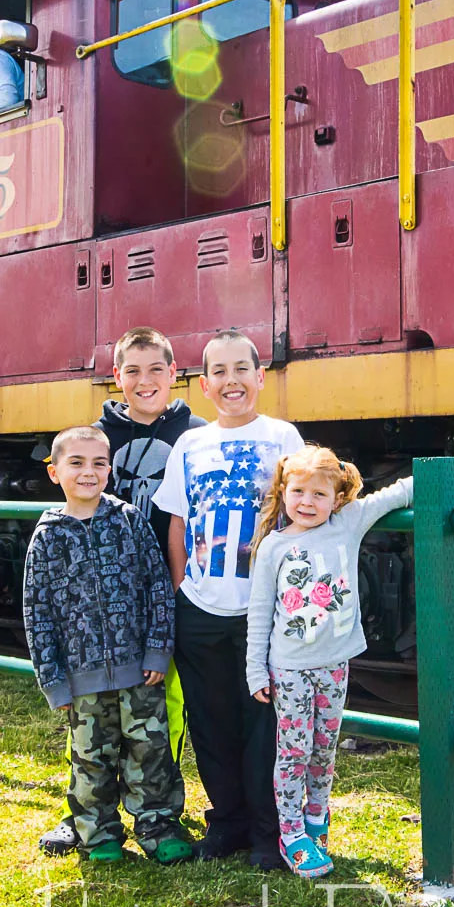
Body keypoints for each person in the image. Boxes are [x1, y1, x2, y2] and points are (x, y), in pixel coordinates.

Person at [35, 326, 199, 857]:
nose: (144, 382)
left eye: (156, 370)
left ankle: (157, 816)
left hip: (159, 595)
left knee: (158, 711)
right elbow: (38, 604)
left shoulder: (194, 435)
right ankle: (87, 818)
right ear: (116, 377)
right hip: (94, 615)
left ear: (176, 374)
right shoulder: (96, 434)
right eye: (132, 371)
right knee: (90, 725)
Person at [153, 330, 303, 871]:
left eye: (242, 369)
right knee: (211, 720)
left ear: (261, 377)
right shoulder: (190, 445)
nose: (231, 380)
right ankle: (228, 823)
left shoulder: (284, 436)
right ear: (204, 384)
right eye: (219, 371)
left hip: (261, 611)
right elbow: (176, 520)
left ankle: (270, 834)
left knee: (264, 725)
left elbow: (302, 512)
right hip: (200, 604)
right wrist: (178, 591)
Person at [246, 450, 411, 878]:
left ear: (337, 499)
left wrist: (448, 475)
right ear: (283, 493)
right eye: (297, 491)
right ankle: (291, 833)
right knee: (294, 751)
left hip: (335, 664)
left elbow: (393, 496)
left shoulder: (348, 524)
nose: (306, 502)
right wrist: (255, 670)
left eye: (319, 493)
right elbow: (260, 613)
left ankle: (317, 820)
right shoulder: (274, 548)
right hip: (290, 668)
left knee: (324, 750)